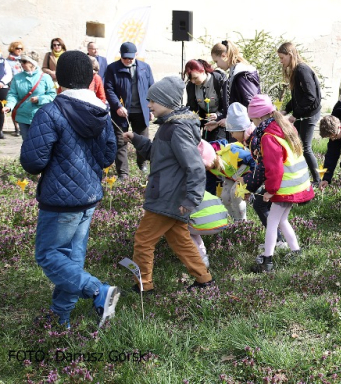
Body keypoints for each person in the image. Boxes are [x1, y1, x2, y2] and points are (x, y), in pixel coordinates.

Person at [19, 51, 119, 329]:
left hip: (60, 201)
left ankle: (98, 290)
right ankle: (60, 317)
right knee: (72, 258)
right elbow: (109, 156)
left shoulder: (50, 112)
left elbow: (33, 161)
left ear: (59, 78)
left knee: (49, 255)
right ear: (90, 78)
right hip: (88, 196)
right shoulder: (101, 111)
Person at [123, 76, 213, 293]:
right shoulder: (169, 126)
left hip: (166, 197)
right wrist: (136, 138)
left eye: (153, 101)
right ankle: (204, 280)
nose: (149, 105)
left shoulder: (177, 129)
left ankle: (143, 285)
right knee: (181, 240)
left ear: (167, 101)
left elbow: (195, 167)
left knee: (143, 240)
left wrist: (192, 198)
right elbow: (158, 153)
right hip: (169, 195)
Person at [247, 94, 313, 273]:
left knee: (272, 222)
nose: (252, 123)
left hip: (285, 186)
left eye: (252, 119)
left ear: (260, 117)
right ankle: (296, 251)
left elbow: (274, 168)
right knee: (282, 220)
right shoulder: (284, 127)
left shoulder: (268, 136)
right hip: (298, 185)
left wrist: (270, 190)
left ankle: (267, 261)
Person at [104, 41, 155, 179]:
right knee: (121, 141)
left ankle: (142, 164)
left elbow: (152, 88)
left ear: (136, 55)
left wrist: (151, 109)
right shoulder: (112, 68)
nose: (128, 60)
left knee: (142, 139)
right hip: (121, 112)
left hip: (141, 111)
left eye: (131, 57)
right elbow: (109, 89)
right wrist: (117, 106)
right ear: (120, 55)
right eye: (125, 57)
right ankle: (123, 173)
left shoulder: (145, 68)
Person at [201, 103, 256, 221]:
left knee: (235, 195)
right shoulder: (208, 165)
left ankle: (243, 223)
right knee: (225, 197)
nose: (231, 135)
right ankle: (235, 221)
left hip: (244, 174)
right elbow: (209, 187)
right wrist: (208, 202)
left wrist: (251, 179)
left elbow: (253, 160)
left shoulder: (231, 151)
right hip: (231, 176)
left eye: (232, 132)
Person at [278, 42, 322, 185]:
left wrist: (294, 115)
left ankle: (317, 179)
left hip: (309, 113)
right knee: (297, 145)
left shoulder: (302, 69)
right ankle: (301, 176)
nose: (281, 61)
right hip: (302, 112)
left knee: (305, 147)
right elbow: (298, 97)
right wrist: (286, 109)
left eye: (282, 58)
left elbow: (310, 96)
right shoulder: (296, 70)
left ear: (290, 55)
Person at [3, 53, 56, 141]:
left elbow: (52, 95)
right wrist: (9, 106)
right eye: (20, 61)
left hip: (40, 116)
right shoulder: (17, 78)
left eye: (24, 61)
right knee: (27, 143)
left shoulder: (45, 77)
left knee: (40, 143)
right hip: (23, 115)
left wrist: (39, 99)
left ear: (32, 63)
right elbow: (13, 94)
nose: (21, 64)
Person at [184, 59, 228, 142]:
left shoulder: (218, 80)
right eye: (190, 79)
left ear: (203, 71)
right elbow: (191, 107)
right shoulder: (191, 86)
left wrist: (218, 115)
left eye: (195, 78)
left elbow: (226, 104)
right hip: (204, 123)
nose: (193, 81)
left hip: (220, 122)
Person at [211, 40, 260, 108]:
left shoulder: (242, 74)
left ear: (224, 56)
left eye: (216, 61)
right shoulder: (235, 73)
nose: (217, 65)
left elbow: (251, 103)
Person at [6, 41, 25, 136]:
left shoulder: (23, 60)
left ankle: (22, 126)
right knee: (14, 107)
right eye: (17, 48)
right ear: (13, 48)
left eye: (21, 48)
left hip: (23, 86)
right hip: (13, 85)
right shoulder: (8, 61)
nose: (19, 50)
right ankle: (16, 127)